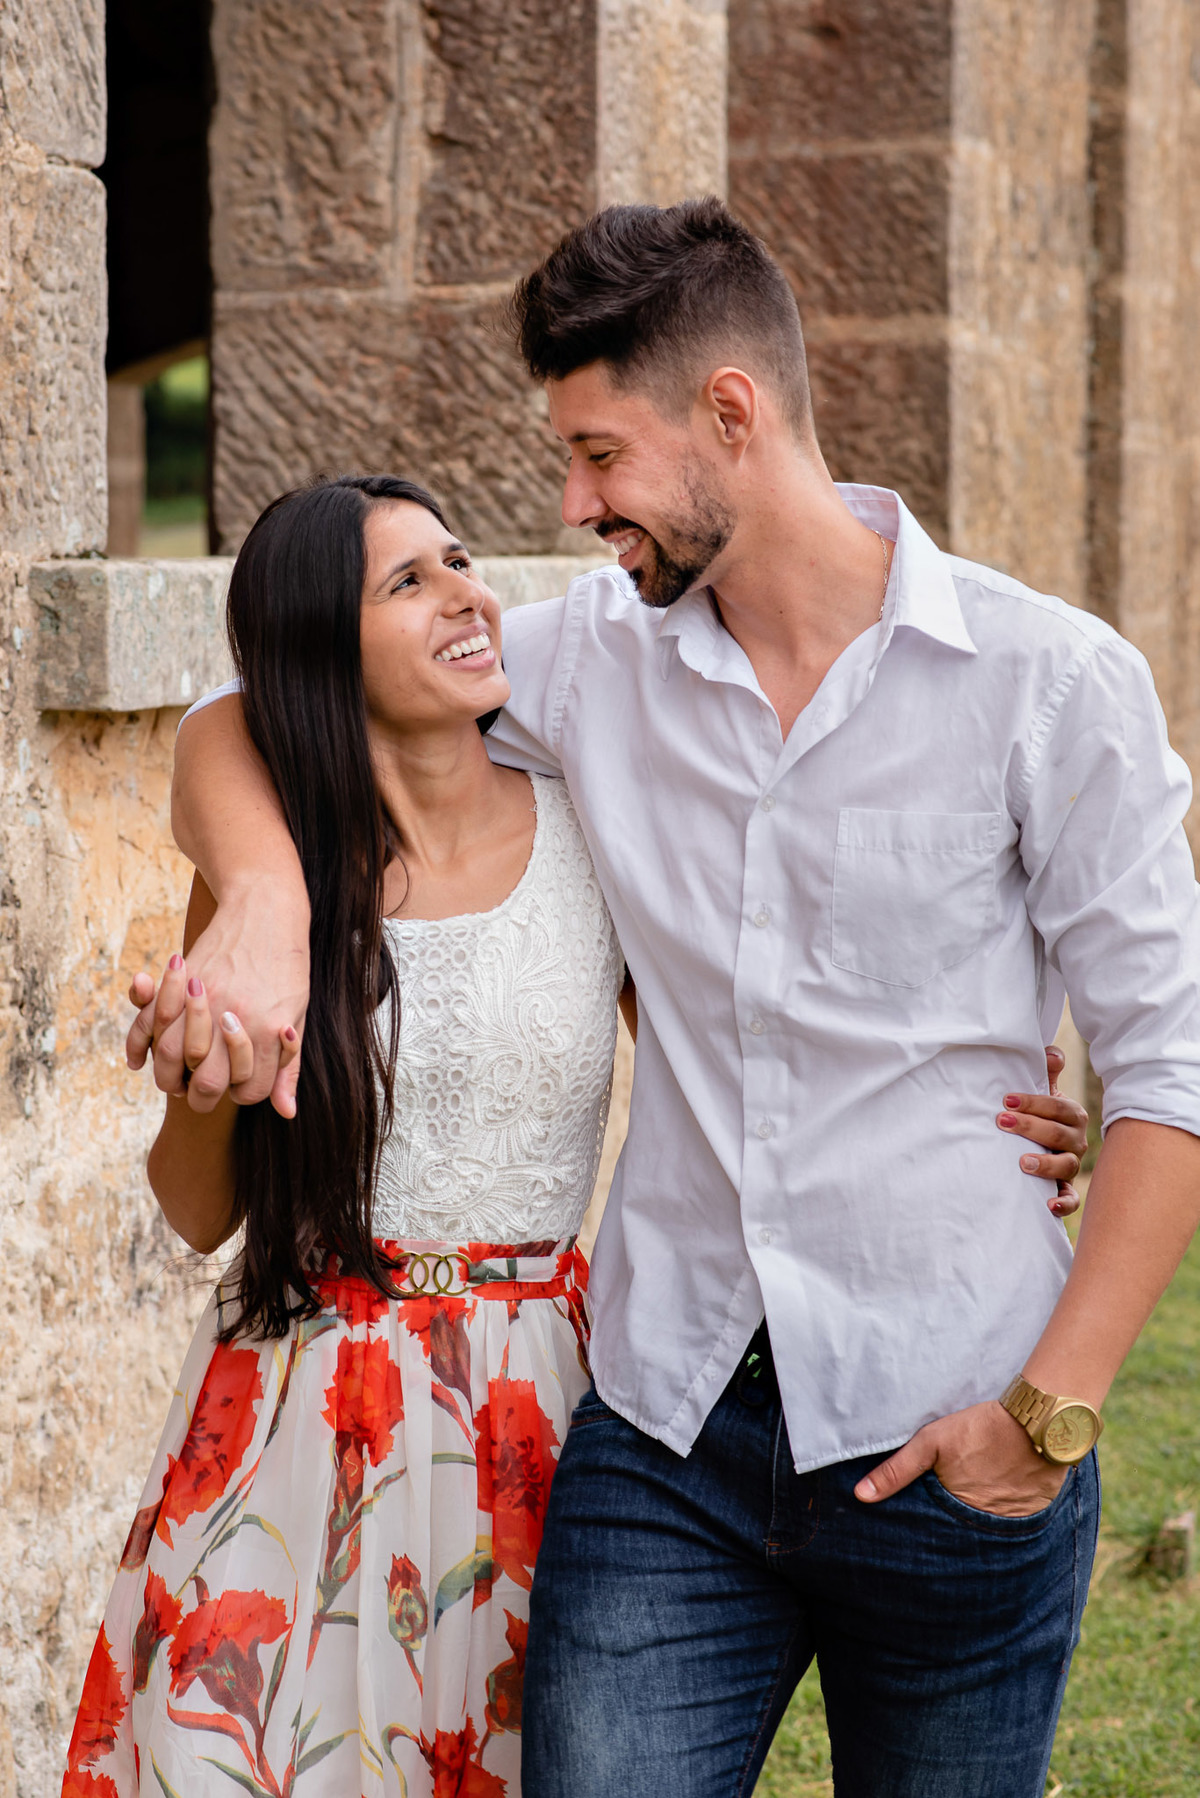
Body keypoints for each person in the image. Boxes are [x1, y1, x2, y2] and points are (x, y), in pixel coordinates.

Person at [144, 199, 1200, 1798]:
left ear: (731, 412)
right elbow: (246, 697)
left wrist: (1045, 1416)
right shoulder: (593, 665)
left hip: (953, 1427)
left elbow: (1171, 1075)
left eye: (600, 456)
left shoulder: (1049, 685)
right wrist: (273, 903)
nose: (572, 506)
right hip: (665, 1438)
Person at [62, 474, 629, 1797]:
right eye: (408, 582)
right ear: (325, 642)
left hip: (533, 1411)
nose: (467, 596)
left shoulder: (594, 831)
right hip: (294, 1415)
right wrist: (206, 1083)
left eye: (461, 559)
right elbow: (199, 1211)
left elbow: (736, 1068)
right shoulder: (278, 871)